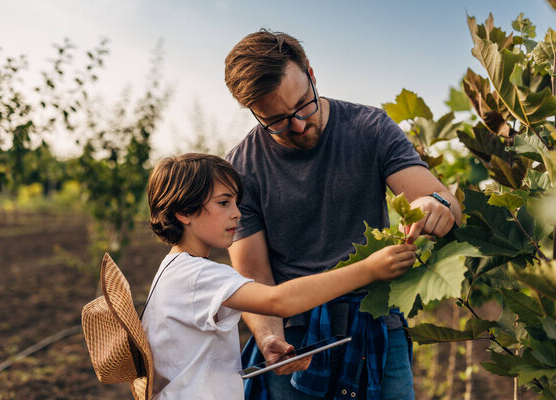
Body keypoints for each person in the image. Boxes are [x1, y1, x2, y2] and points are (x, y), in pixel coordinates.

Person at [224, 30, 463, 399]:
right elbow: (253, 273)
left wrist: (434, 206)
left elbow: (440, 200)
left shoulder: (370, 128)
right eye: (278, 120)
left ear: (312, 73)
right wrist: (270, 335)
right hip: (294, 335)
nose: (299, 125)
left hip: (375, 319)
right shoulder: (241, 168)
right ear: (253, 111)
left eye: (303, 104)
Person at [142, 153, 417, 399]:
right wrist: (368, 270)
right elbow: (279, 301)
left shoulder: (173, 269)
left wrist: (269, 341)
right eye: (224, 203)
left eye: (236, 202)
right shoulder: (197, 275)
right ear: (184, 212)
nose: (237, 214)